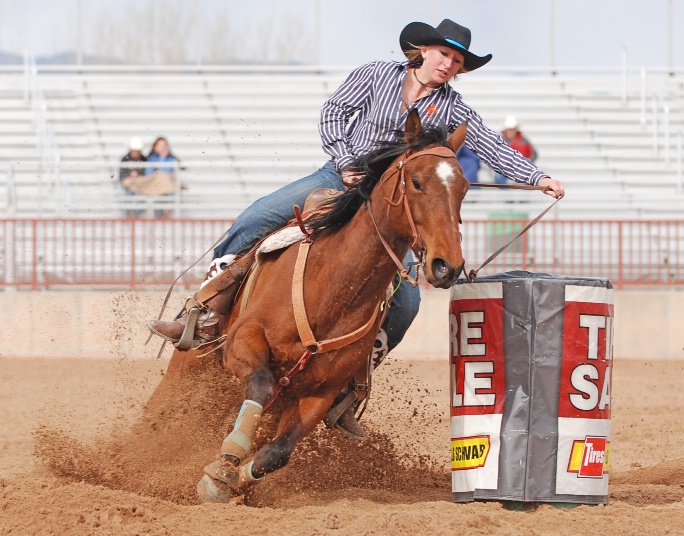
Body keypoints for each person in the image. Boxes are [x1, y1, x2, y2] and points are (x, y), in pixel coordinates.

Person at [148, 18, 564, 440]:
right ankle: (202, 313)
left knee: (405, 305)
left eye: (457, 61)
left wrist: (538, 178)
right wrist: (346, 163)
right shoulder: (376, 74)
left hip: (394, 204)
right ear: (423, 51)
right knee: (256, 219)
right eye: (444, 54)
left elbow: (490, 145)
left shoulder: (454, 106)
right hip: (341, 176)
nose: (448, 64)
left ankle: (348, 385)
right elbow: (334, 114)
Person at [494, 115, 537, 184]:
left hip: (522, 167)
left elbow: (533, 154)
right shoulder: (499, 140)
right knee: (499, 176)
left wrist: (527, 164)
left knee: (529, 176)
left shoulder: (524, 140)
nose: (510, 131)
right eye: (509, 129)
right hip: (505, 168)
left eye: (512, 129)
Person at [119, 137, 148, 216]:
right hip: (129, 184)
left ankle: (135, 214)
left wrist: (138, 175)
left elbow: (146, 173)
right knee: (129, 193)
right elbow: (121, 174)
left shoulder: (144, 159)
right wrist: (129, 175)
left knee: (144, 197)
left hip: (140, 184)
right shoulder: (125, 159)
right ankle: (129, 213)